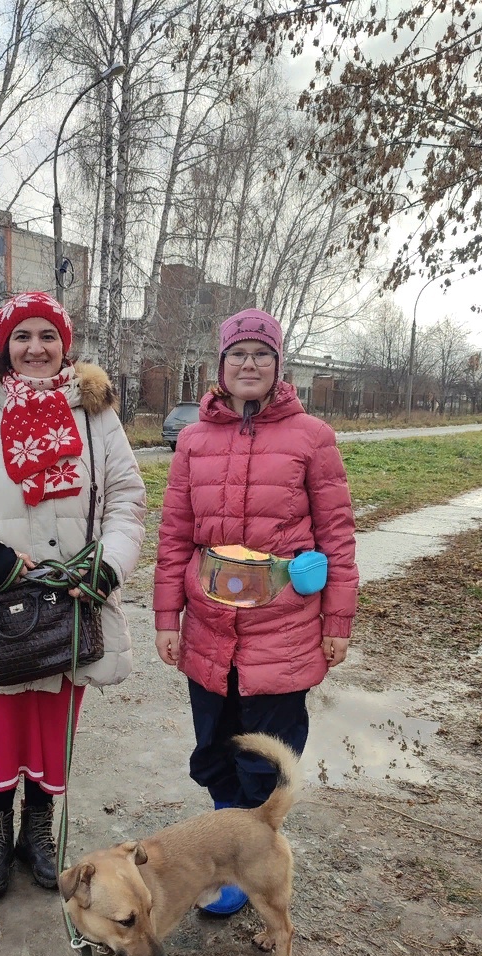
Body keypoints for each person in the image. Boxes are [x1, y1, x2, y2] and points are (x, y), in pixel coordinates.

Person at [0, 292, 145, 900]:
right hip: (0, 605)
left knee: (53, 727)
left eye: (47, 336)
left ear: (64, 345)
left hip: (71, 602)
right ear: (4, 346)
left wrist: (106, 566)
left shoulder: (95, 413)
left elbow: (128, 501)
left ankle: (38, 833)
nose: (34, 348)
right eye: (21, 336)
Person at [153, 308, 358, 914]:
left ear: (278, 366)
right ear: (220, 364)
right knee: (213, 742)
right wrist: (168, 618)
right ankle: (226, 842)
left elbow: (338, 536)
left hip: (284, 631)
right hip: (210, 631)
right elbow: (174, 536)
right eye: (237, 353)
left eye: (261, 354)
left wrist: (336, 622)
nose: (249, 363)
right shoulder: (193, 439)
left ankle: (253, 855)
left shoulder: (311, 437)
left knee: (265, 746)